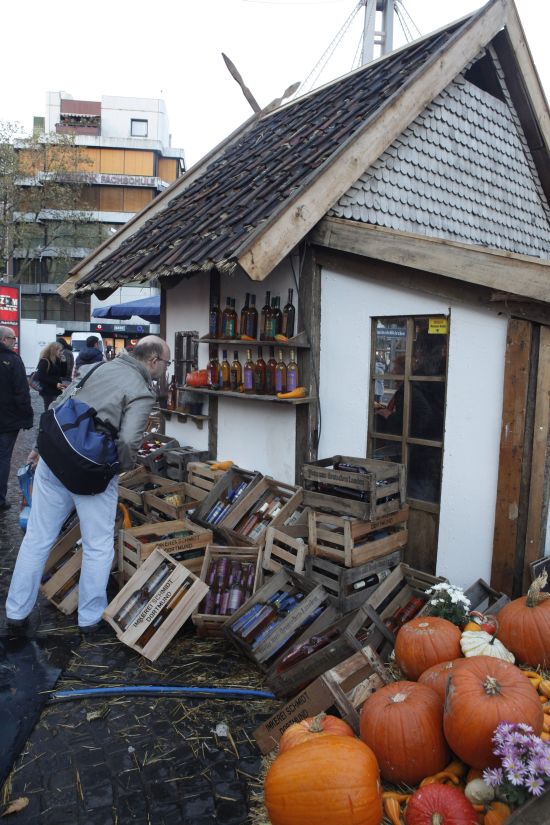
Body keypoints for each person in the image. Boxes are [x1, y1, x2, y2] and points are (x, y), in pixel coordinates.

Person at [5, 335, 171, 633]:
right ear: (154, 360)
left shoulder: (97, 367)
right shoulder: (142, 392)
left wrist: (39, 449)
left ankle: (16, 613)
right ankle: (89, 619)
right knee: (98, 546)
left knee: (37, 539)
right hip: (90, 472)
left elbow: (60, 404)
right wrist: (117, 470)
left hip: (54, 458)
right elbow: (128, 442)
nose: (166, 369)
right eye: (166, 363)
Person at [0, 327, 33, 513]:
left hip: (7, 418)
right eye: (13, 338)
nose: (15, 341)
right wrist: (27, 416)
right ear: (4, 339)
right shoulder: (13, 360)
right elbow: (21, 391)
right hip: (8, 419)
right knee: (3, 457)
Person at [36, 341, 67, 411]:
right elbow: (41, 377)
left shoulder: (57, 360)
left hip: (57, 390)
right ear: (54, 350)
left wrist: (64, 362)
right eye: (60, 351)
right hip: (48, 391)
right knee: (49, 410)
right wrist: (55, 384)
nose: (62, 353)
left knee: (56, 410)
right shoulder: (45, 361)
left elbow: (63, 374)